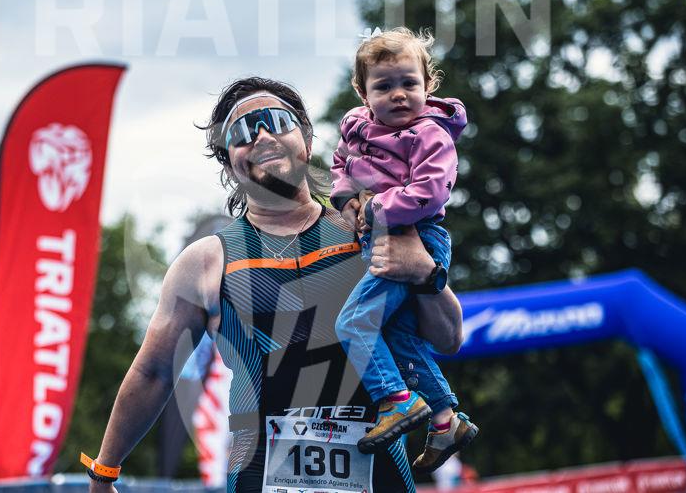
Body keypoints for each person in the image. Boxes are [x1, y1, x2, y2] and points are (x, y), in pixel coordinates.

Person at [85, 77, 465, 493]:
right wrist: (104, 473)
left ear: (307, 141)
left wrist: (427, 274)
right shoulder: (206, 262)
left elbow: (448, 339)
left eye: (277, 122)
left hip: (381, 476)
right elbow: (153, 372)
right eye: (243, 131)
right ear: (228, 163)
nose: (263, 136)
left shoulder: (369, 230)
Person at [330, 27, 478, 471]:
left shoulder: (430, 133)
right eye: (384, 86)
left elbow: (431, 191)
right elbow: (341, 165)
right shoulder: (356, 127)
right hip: (376, 234)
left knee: (354, 322)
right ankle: (445, 421)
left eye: (409, 83)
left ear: (428, 85)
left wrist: (376, 208)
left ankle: (396, 400)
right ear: (363, 93)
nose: (398, 94)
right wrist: (346, 199)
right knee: (397, 336)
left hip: (416, 234)